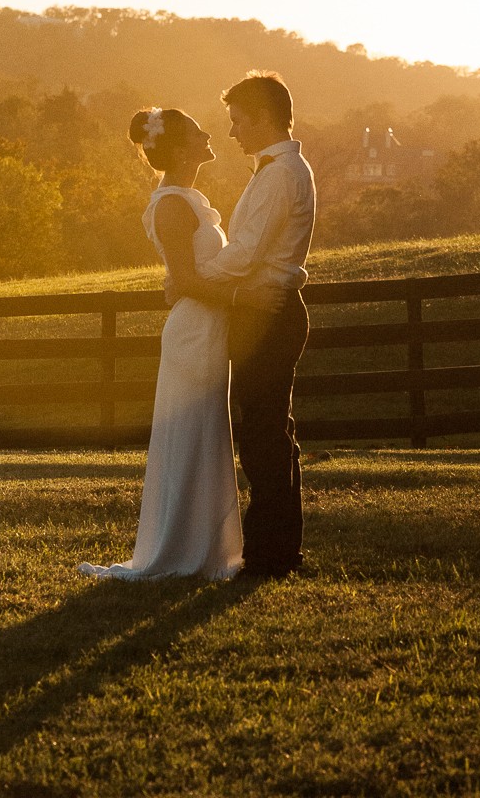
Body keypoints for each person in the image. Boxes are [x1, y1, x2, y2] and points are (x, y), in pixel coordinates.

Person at [79, 108, 244, 581]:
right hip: (194, 331)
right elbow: (185, 279)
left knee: (206, 433)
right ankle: (181, 549)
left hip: (208, 327)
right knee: (191, 434)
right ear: (176, 148)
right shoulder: (172, 203)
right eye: (197, 132)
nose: (209, 133)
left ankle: (209, 548)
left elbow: (186, 275)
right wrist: (244, 297)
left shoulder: (189, 197)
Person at [165, 71, 315, 579]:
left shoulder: (280, 175)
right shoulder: (275, 170)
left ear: (265, 118)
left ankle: (270, 555)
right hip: (262, 311)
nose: (231, 132)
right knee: (270, 429)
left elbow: (247, 252)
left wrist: (190, 279)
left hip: (268, 313)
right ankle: (278, 549)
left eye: (238, 120)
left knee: (262, 434)